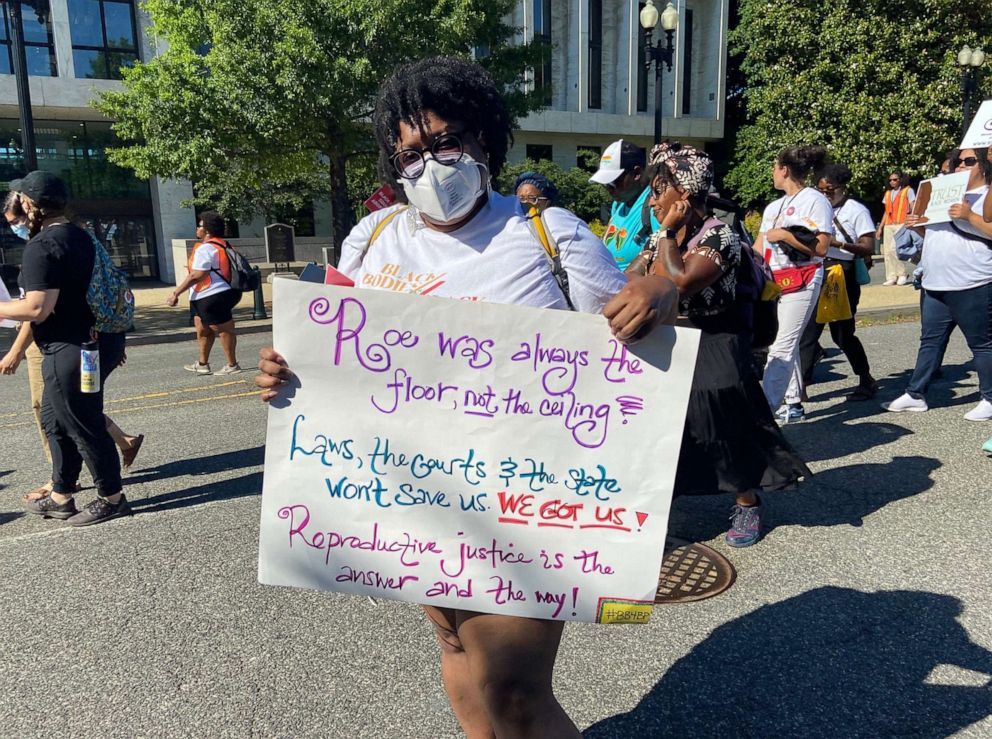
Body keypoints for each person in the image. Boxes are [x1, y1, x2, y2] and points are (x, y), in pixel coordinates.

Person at [256, 56, 677, 738]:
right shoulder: (374, 237)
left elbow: (639, 343)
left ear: (484, 141)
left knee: (512, 689)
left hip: (519, 505)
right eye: (411, 152)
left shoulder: (549, 235)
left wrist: (663, 292)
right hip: (413, 498)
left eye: (445, 142)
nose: (429, 164)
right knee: (453, 646)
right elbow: (329, 356)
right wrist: (285, 373)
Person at [626, 142, 810, 547]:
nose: (652, 200)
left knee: (724, 428)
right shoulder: (660, 237)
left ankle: (747, 502)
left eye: (659, 191)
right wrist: (661, 241)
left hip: (714, 341)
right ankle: (656, 508)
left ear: (684, 195)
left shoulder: (720, 235)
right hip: (668, 339)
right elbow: (630, 275)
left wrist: (669, 236)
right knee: (665, 429)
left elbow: (683, 280)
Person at [0, 171, 128, 525]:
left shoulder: (42, 246)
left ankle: (112, 497)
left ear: (29, 203)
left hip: (69, 348)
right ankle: (61, 494)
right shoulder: (80, 236)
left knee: (82, 423)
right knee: (55, 421)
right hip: (92, 344)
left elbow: (36, 308)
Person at [883, 148, 992, 420]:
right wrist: (918, 225)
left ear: (984, 164)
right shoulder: (941, 193)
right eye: (957, 162)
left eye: (968, 161)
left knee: (981, 343)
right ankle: (915, 393)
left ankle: (989, 397)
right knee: (930, 340)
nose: (959, 167)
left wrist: (969, 215)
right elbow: (934, 234)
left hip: (973, 279)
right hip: (936, 280)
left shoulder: (987, 195)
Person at [754, 145, 833, 423]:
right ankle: (793, 402)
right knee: (783, 339)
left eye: (775, 167)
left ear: (784, 170)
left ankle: (763, 414)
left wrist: (785, 236)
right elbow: (758, 247)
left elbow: (822, 247)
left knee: (783, 346)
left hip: (804, 278)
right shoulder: (773, 207)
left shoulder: (815, 200)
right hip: (774, 282)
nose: (772, 173)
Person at [798, 163, 877, 400]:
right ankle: (799, 388)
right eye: (820, 189)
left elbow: (867, 247)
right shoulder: (814, 207)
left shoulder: (856, 210)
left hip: (842, 273)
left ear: (842, 187)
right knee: (808, 331)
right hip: (815, 269)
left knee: (842, 334)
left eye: (829, 190)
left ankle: (866, 379)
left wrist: (836, 243)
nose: (825, 194)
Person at [167, 210, 242, 375]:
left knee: (224, 329)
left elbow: (197, 275)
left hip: (212, 295)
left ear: (207, 230)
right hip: (205, 295)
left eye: (199, 226)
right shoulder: (224, 245)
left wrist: (176, 293)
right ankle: (202, 363)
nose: (197, 229)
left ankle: (232, 365)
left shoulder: (206, 248)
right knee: (202, 329)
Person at [589, 139, 660, 270]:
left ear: (637, 173)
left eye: (613, 182)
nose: (609, 189)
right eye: (605, 184)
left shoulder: (654, 206)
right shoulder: (619, 203)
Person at [877, 171, 917, 285]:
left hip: (901, 223)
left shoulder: (908, 191)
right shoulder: (888, 193)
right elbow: (886, 211)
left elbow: (912, 205)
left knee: (896, 249)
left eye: (895, 179)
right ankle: (891, 276)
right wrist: (880, 227)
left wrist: (913, 220)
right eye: (890, 180)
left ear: (900, 180)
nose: (892, 182)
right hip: (889, 224)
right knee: (888, 251)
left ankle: (902, 273)